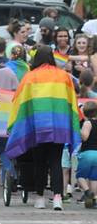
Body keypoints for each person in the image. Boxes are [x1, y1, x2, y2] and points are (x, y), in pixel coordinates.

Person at [6, 46, 80, 211]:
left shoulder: (30, 77)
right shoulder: (64, 76)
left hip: (37, 126)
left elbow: (19, 102)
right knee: (56, 162)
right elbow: (72, 102)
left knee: (39, 162)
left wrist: (13, 125)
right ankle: (57, 198)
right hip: (59, 127)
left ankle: (39, 198)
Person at [76, 101, 97, 208]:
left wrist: (78, 130)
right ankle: (94, 199)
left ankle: (87, 192)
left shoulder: (87, 123)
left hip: (87, 153)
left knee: (80, 176)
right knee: (94, 178)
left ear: (84, 113)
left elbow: (84, 137)